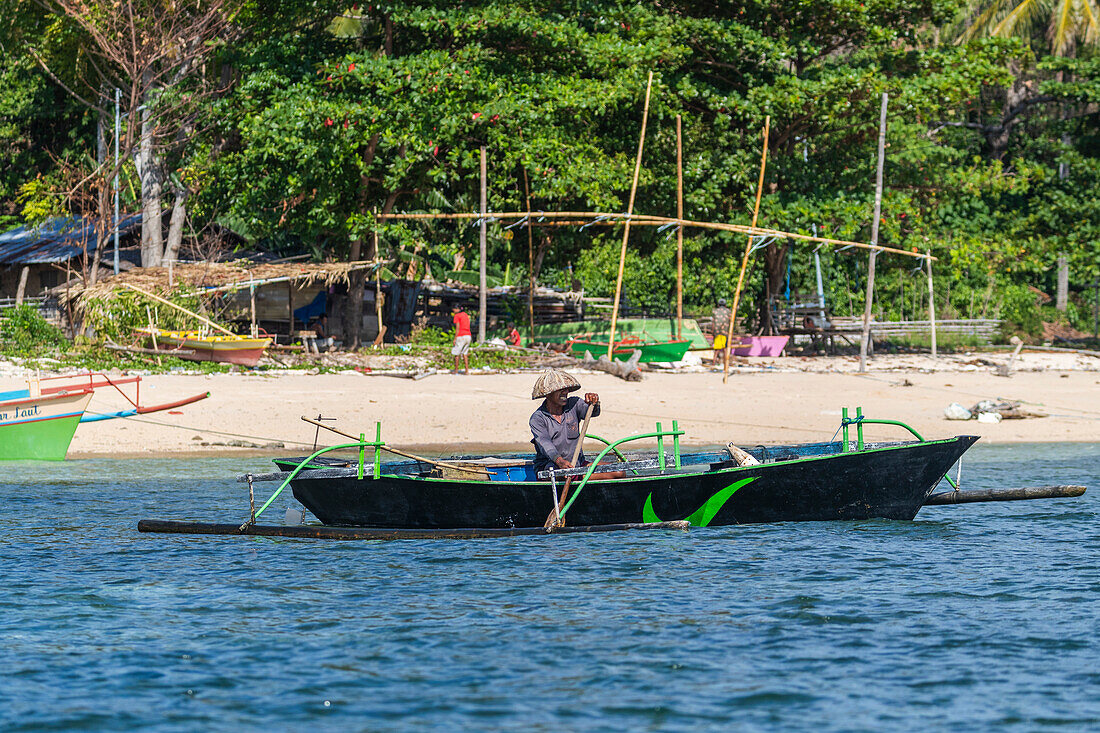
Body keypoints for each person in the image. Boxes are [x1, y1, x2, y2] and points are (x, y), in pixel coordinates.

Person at [529, 369, 622, 480]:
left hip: (577, 465)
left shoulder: (574, 404)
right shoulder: (538, 418)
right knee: (560, 475)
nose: (565, 392)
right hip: (550, 467)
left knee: (619, 472)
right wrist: (560, 461)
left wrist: (594, 402)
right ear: (548, 394)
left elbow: (593, 412)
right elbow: (545, 444)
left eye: (566, 389)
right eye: (560, 390)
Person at [451, 302, 472, 373]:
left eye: (453, 309)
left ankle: (456, 370)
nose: (453, 310)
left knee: (457, 353)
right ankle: (466, 370)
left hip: (461, 336)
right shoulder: (465, 315)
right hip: (468, 335)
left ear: (457, 309)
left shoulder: (457, 316)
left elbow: (457, 328)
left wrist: (455, 338)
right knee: (465, 353)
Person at [711, 297, 732, 363]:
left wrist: (713, 332)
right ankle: (725, 362)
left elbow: (713, 323)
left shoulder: (715, 311)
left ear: (718, 305)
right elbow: (730, 320)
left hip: (717, 332)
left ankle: (714, 362)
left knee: (717, 349)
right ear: (725, 305)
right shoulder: (728, 311)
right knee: (725, 348)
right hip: (725, 332)